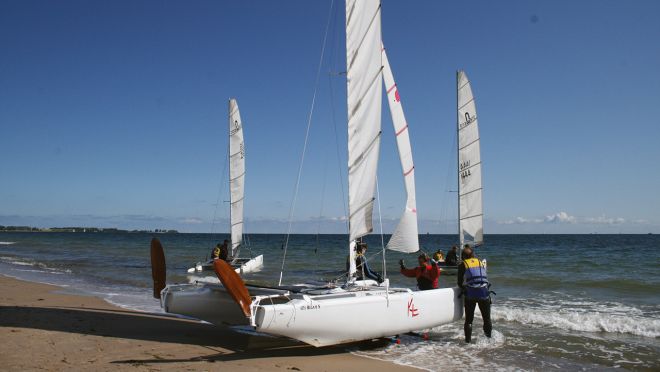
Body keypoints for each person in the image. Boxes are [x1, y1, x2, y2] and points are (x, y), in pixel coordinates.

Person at [457, 244, 492, 343]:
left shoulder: (463, 264)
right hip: (484, 293)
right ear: (473, 255)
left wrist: (463, 288)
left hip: (471, 295)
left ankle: (468, 342)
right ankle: (489, 340)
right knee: (487, 319)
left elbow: (459, 283)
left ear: (463, 257)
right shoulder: (480, 262)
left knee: (469, 320)